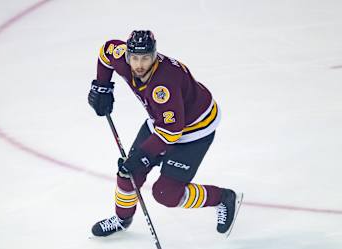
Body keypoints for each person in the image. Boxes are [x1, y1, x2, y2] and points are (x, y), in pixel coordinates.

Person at [88, 30, 242, 237]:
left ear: (155, 56)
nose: (140, 65)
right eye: (135, 58)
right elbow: (106, 52)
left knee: (166, 194)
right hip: (162, 122)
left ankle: (223, 197)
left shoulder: (163, 85)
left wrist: (141, 156)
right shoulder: (121, 56)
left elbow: (172, 131)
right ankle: (123, 219)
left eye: (146, 58)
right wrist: (103, 86)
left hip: (194, 131)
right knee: (127, 175)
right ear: (127, 56)